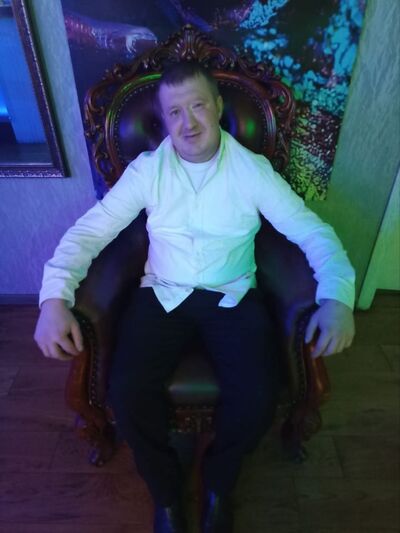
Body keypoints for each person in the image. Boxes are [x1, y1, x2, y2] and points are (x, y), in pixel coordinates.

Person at [34, 62, 355, 533]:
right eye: (175, 112)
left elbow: (314, 233)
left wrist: (337, 297)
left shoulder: (253, 172)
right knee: (127, 392)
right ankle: (166, 494)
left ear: (218, 107)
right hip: (162, 294)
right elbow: (89, 233)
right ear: (164, 119)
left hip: (232, 295)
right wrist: (53, 299)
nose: (188, 122)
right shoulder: (148, 171)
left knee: (258, 397)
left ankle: (218, 483)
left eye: (198, 105)